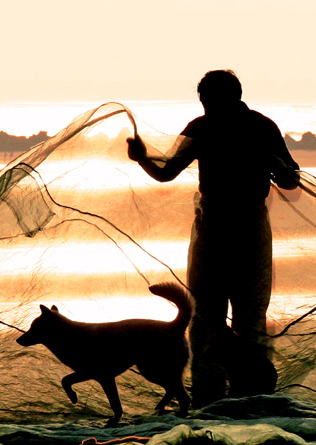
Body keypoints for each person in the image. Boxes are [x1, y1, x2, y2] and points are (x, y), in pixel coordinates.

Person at [126, 69, 301, 407]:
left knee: (236, 316)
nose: (206, 107)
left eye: (209, 101)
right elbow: (166, 171)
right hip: (223, 228)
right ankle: (222, 397)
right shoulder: (238, 126)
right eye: (204, 102)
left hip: (238, 229)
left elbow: (290, 178)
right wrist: (143, 157)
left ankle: (239, 395)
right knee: (215, 315)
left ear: (230, 97)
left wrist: (143, 159)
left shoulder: (241, 127)